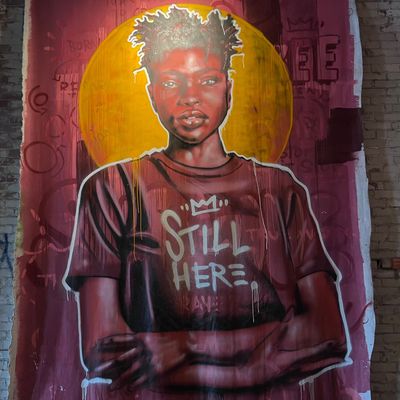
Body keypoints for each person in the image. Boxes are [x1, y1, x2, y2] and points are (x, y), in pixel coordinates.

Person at [65, 5, 348, 398]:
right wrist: (261, 358)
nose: (190, 98)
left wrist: (186, 345)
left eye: (208, 80)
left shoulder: (278, 189)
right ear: (152, 94)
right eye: (171, 83)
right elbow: (102, 348)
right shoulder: (113, 189)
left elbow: (327, 332)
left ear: (228, 88)